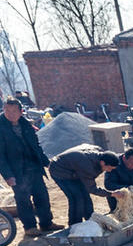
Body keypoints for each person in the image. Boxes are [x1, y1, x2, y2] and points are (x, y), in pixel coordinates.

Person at [0, 96, 62, 237]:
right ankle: (29, 227)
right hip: (17, 171)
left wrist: (46, 162)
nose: (10, 114)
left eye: (14, 111)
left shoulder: (25, 124)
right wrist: (8, 176)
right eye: (7, 110)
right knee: (23, 200)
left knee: (42, 196)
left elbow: (36, 146)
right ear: (4, 110)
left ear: (20, 111)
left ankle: (46, 223)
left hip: (33, 166)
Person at [48, 147, 120, 225]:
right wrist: (111, 194)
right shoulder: (88, 167)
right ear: (102, 162)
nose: (109, 171)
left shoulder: (99, 156)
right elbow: (92, 189)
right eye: (109, 168)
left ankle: (90, 220)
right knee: (77, 197)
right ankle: (75, 225)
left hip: (74, 170)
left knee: (86, 196)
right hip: (59, 170)